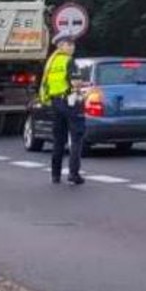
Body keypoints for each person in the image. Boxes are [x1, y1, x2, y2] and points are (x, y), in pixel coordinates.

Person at [40, 35, 84, 185]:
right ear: (60, 46)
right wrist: (75, 91)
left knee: (59, 140)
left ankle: (55, 175)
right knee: (76, 137)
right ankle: (73, 174)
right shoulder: (69, 61)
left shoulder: (51, 62)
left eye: (72, 44)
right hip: (70, 102)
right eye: (68, 44)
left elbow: (45, 83)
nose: (72, 47)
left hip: (55, 103)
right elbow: (76, 83)